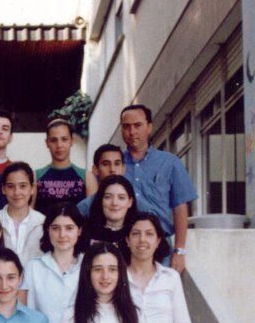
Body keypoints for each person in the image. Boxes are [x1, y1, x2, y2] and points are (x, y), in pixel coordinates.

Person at [120, 104, 198, 273]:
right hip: (124, 248)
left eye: (138, 125)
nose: (132, 132)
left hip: (161, 249)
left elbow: (180, 207)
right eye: (126, 126)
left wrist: (180, 250)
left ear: (149, 127)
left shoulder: (170, 163)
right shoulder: (116, 164)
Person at [34, 119, 92, 216]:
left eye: (64, 139)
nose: (59, 145)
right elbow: (29, 213)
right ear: (47, 143)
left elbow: (93, 215)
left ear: (72, 141)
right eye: (54, 140)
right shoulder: (36, 176)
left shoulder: (87, 177)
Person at [77, 143, 152, 217]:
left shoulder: (138, 205)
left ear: (123, 169)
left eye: (117, 164)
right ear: (95, 169)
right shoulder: (84, 208)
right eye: (106, 164)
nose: (112, 169)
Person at [0, 162, 45, 265]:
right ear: (3, 189)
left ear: (32, 189)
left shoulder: (43, 222)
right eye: (11, 186)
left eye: (23, 186)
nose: (17, 192)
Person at [87, 176, 139, 246]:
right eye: (108, 197)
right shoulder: (85, 231)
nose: (114, 203)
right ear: (100, 200)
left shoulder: (137, 233)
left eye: (121, 198)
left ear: (130, 202)